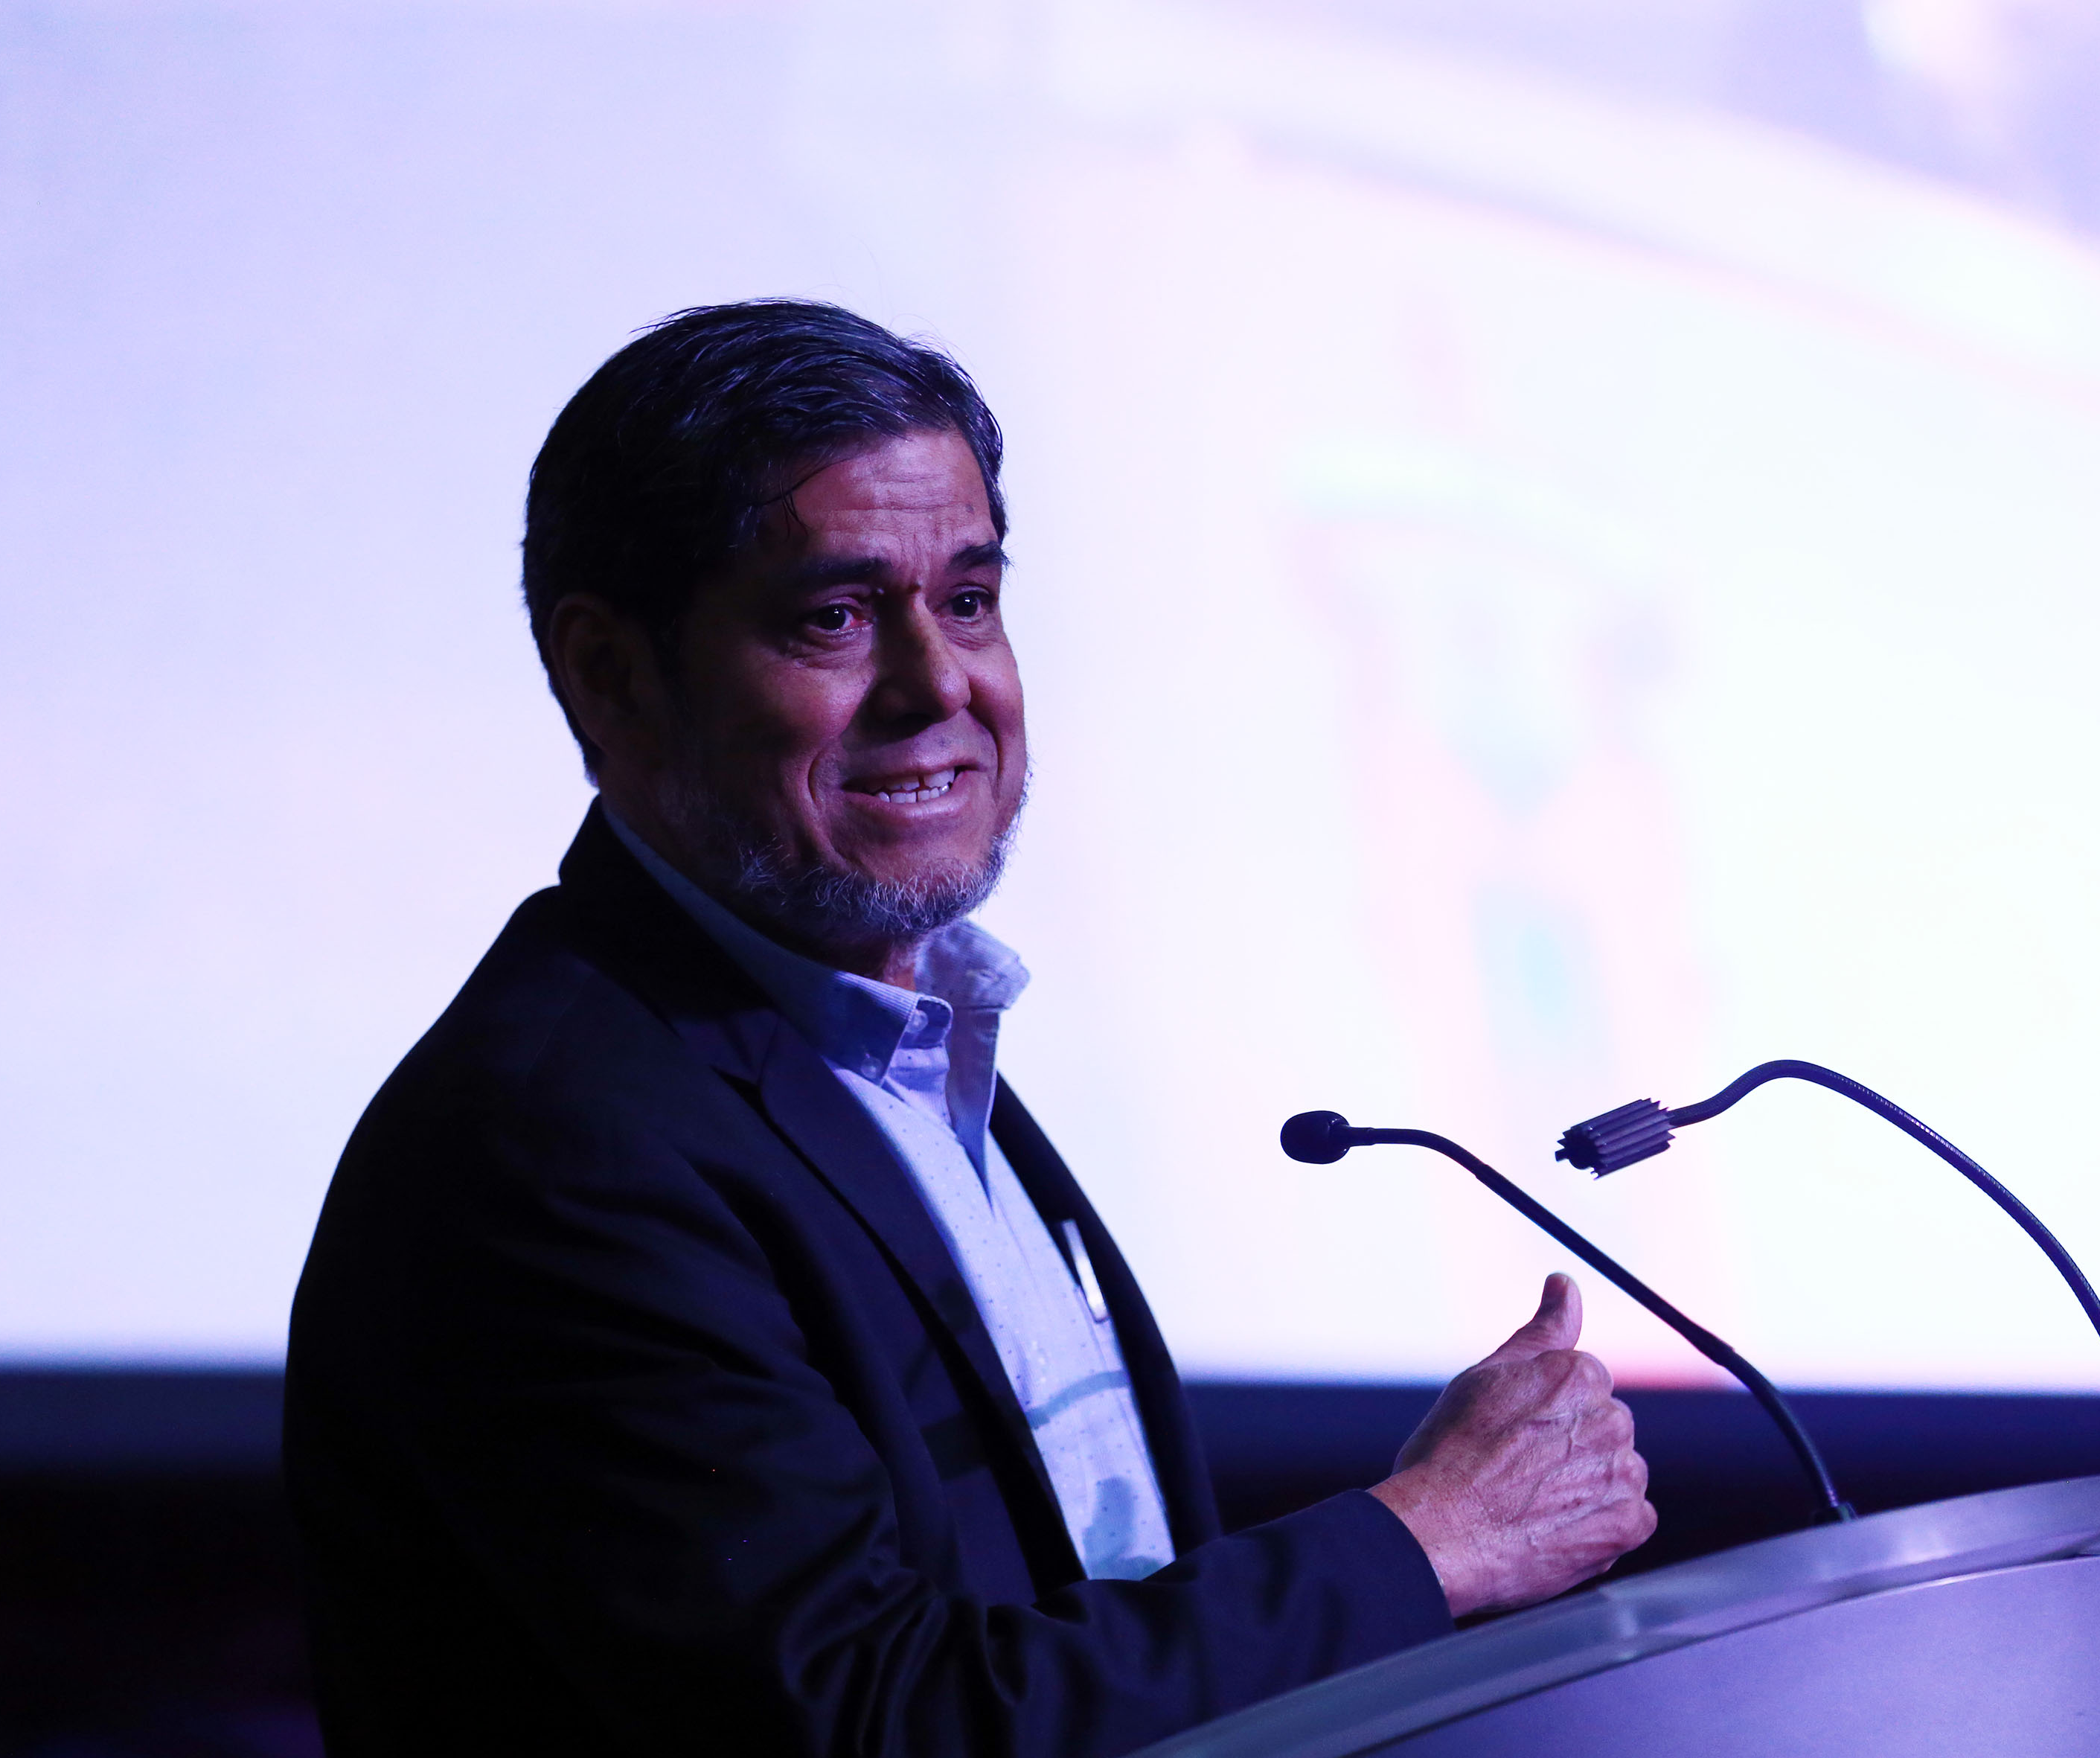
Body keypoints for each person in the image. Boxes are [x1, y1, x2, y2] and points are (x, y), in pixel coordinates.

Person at [283, 300, 1656, 1758]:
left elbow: (1081, 1600)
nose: (939, 683)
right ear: (612, 674)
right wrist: (1418, 1543)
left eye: (969, 599)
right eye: (832, 615)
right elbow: (872, 1725)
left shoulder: (909, 1055)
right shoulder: (554, 1147)